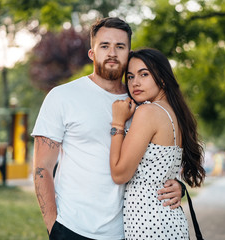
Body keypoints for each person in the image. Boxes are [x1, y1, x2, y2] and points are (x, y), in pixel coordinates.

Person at [31, 17, 183, 240]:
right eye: (104, 46)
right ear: (92, 53)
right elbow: (42, 167)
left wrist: (177, 185)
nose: (112, 52)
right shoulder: (62, 97)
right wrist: (53, 226)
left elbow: (160, 156)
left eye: (120, 46)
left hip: (126, 231)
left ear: (128, 52)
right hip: (72, 228)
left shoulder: (141, 102)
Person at [109, 48, 206, 239]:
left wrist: (118, 122)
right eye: (129, 76)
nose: (134, 82)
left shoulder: (148, 112)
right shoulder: (175, 113)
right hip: (169, 220)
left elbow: (120, 174)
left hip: (148, 224)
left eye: (144, 74)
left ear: (162, 78)